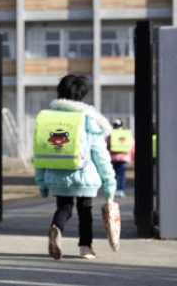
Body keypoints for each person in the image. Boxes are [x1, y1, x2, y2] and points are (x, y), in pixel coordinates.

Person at [34, 74, 116, 260]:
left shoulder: (49, 118)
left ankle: (56, 228)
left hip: (57, 174)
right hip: (84, 176)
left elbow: (40, 153)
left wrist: (41, 183)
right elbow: (100, 154)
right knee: (85, 211)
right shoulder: (87, 118)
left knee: (64, 208)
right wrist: (110, 185)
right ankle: (85, 247)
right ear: (82, 94)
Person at [106, 118, 135, 198]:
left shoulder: (111, 134)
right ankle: (120, 190)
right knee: (121, 175)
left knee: (114, 175)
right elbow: (132, 146)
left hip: (113, 158)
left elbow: (106, 145)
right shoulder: (126, 134)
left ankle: (114, 190)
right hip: (124, 158)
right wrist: (133, 157)